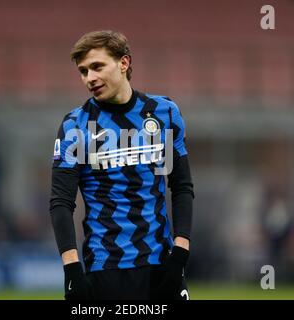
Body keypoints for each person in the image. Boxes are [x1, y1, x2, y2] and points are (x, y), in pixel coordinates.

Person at [49, 30, 194, 300]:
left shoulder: (165, 113)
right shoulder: (74, 126)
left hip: (162, 265)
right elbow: (61, 202)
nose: (89, 78)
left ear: (123, 63)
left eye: (97, 66)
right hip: (104, 268)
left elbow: (182, 186)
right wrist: (71, 270)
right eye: (83, 71)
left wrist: (181, 252)